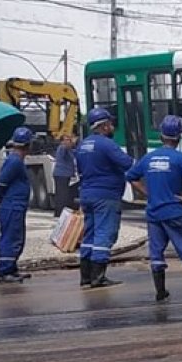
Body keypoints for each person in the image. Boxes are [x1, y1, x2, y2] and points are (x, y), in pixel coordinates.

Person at [125, 115, 182, 302]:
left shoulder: (148, 158)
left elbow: (131, 176)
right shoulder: (180, 158)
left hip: (154, 213)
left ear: (161, 136)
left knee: (156, 251)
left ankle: (160, 291)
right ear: (179, 137)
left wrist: (147, 193)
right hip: (174, 211)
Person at [75, 107, 134, 288]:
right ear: (105, 125)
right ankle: (98, 277)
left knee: (89, 235)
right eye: (110, 123)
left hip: (87, 194)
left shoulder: (83, 145)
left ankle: (85, 277)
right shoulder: (107, 144)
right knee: (104, 234)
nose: (112, 126)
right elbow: (128, 163)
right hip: (105, 196)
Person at [0, 127, 35, 284]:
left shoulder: (15, 160)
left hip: (15, 205)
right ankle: (4, 271)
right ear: (28, 145)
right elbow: (1, 183)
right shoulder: (15, 162)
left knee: (16, 238)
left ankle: (11, 268)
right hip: (12, 205)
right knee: (11, 238)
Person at [51, 133, 78, 216]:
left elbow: (75, 153)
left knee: (65, 194)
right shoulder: (62, 148)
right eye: (66, 140)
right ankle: (59, 212)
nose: (69, 141)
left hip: (65, 174)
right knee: (62, 194)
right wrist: (72, 142)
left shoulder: (69, 150)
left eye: (69, 140)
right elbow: (65, 148)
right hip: (61, 174)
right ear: (62, 141)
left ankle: (61, 211)